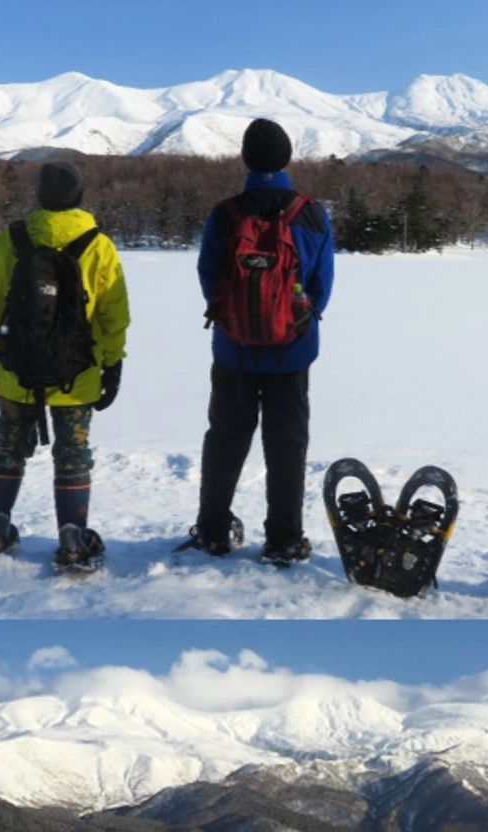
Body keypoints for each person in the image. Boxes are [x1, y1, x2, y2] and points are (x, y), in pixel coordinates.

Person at [0, 159, 131, 571]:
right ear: (79, 197)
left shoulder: (12, 240)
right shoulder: (98, 245)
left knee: (8, 447)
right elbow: (113, 315)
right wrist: (112, 364)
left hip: (16, 368)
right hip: (77, 373)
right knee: (73, 454)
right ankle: (73, 537)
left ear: (39, 197)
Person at [187, 117, 335, 565]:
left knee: (226, 439)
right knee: (287, 444)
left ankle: (212, 530)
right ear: (288, 157)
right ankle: (284, 538)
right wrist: (297, 318)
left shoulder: (226, 212)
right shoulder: (309, 212)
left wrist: (234, 317)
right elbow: (322, 281)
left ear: (245, 159)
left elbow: (209, 275)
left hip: (233, 351)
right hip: (292, 352)